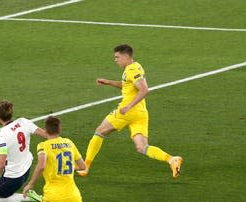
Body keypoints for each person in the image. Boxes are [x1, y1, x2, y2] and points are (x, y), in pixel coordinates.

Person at [78, 44, 182, 178]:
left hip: (127, 112)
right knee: (142, 147)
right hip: (141, 113)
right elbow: (128, 85)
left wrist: (128, 106)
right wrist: (108, 82)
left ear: (126, 56)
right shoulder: (135, 67)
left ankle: (85, 166)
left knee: (99, 132)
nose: (115, 60)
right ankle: (171, 159)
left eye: (117, 57)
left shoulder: (132, 70)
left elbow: (144, 89)